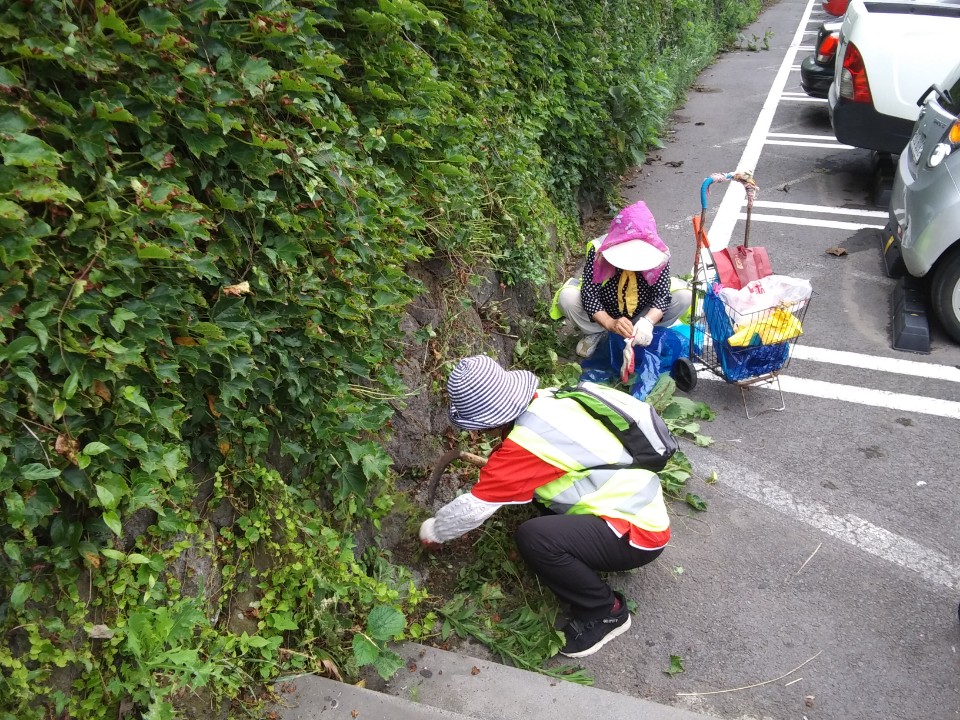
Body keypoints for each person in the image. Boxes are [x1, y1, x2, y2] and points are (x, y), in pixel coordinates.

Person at [419, 355, 670, 658]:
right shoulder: (549, 400)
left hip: (637, 532)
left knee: (535, 537)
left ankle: (605, 612)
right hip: (636, 505)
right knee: (539, 515)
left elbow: (473, 508)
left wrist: (433, 532)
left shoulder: (527, 446)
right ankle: (584, 560)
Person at [553, 201, 693, 357]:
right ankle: (594, 332)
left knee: (684, 297)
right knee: (567, 298)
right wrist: (609, 322)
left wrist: (647, 322)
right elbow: (589, 295)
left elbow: (662, 295)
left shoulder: (660, 253)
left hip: (642, 310)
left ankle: (645, 332)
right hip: (605, 309)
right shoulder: (599, 249)